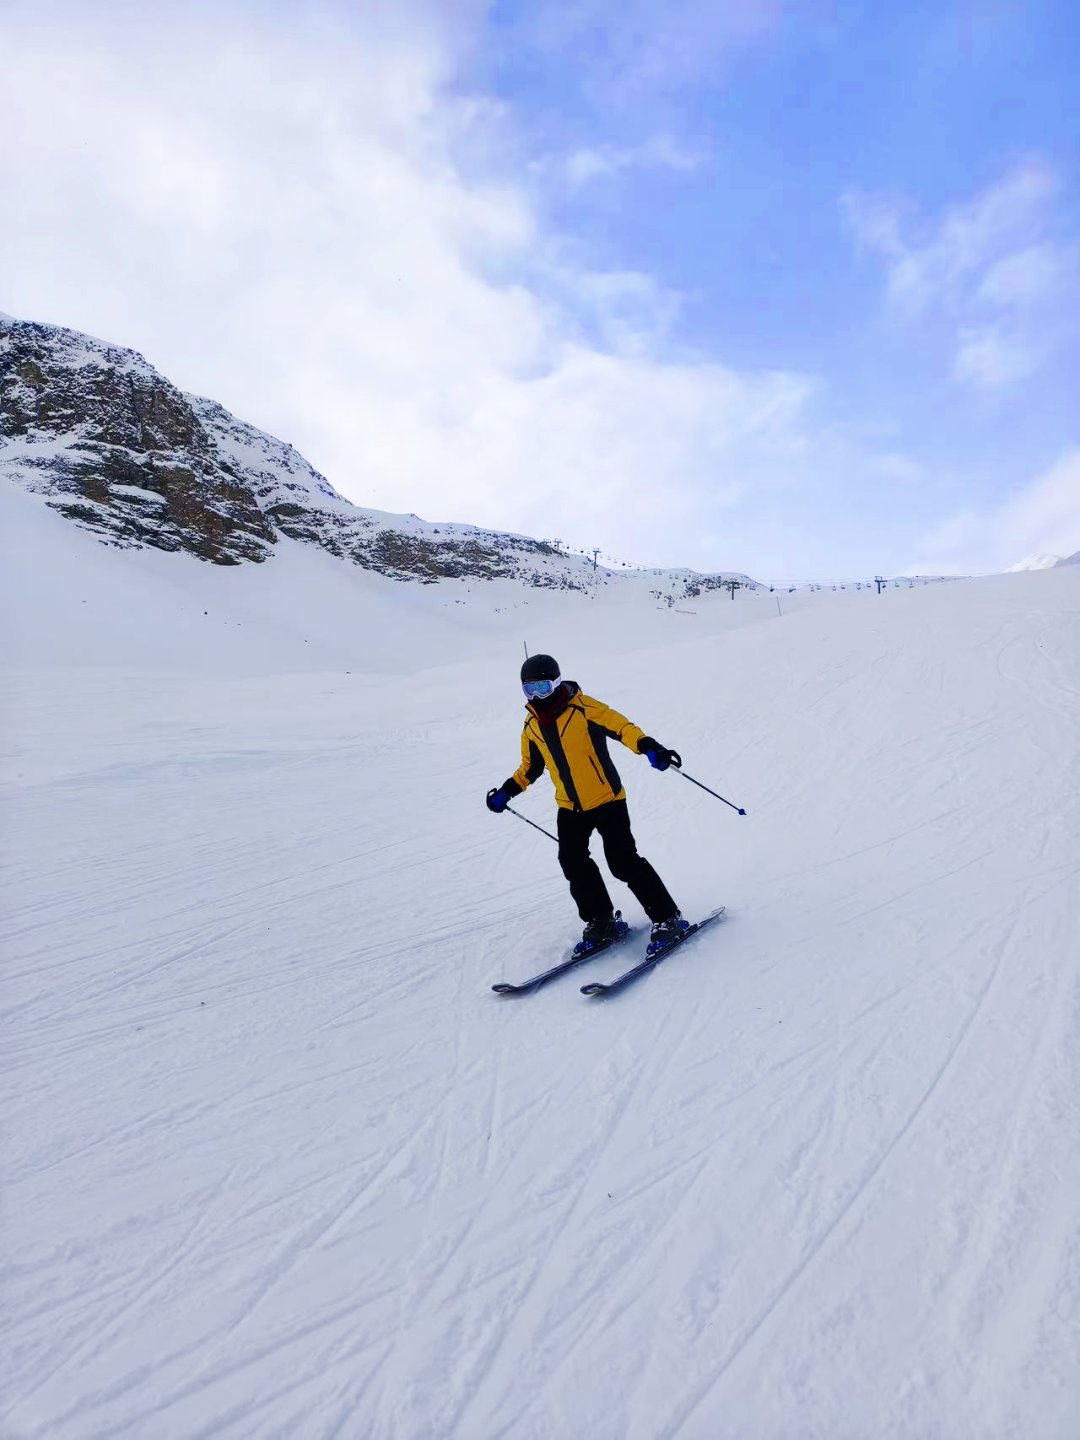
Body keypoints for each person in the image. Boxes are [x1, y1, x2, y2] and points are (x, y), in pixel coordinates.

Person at [487, 653, 688, 953]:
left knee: (623, 862)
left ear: (556, 683)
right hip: (570, 807)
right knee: (573, 862)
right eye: (530, 689)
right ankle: (601, 920)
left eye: (543, 687)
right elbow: (530, 767)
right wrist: (506, 791)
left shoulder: (584, 708)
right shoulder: (532, 725)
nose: (537, 696)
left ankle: (667, 918)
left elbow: (623, 728)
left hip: (607, 800)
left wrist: (650, 748)